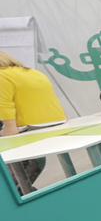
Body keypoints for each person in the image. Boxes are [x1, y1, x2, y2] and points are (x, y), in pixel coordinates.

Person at [1, 51, 66, 192]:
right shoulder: (31, 72)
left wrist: (9, 128)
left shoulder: (2, 75)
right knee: (32, 160)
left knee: (15, 159)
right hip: (54, 120)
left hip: (29, 124)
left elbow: (4, 104)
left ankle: (17, 191)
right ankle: (22, 189)